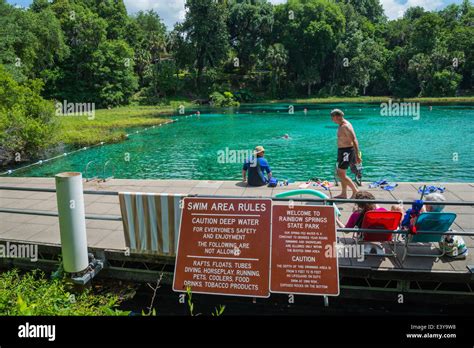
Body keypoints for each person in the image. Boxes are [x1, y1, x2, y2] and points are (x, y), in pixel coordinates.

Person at [331, 109, 361, 199]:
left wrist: (357, 155)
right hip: (342, 151)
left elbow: (354, 140)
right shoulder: (341, 125)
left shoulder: (345, 126)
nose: (332, 120)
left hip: (346, 151)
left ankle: (355, 191)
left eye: (333, 117)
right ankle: (344, 193)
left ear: (338, 116)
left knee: (341, 174)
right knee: (341, 173)